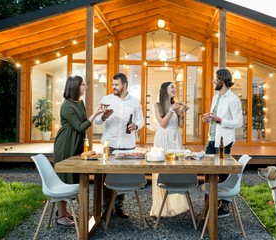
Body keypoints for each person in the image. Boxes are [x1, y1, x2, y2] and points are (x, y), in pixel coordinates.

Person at [54, 75, 105, 226]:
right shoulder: (66, 106)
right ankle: (61, 216)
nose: (85, 87)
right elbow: (80, 126)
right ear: (75, 87)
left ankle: (64, 211)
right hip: (66, 144)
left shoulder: (80, 102)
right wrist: (96, 113)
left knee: (74, 177)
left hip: (76, 143)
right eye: (83, 85)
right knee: (64, 178)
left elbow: (83, 122)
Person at [94, 72, 144, 219]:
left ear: (125, 85)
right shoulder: (106, 99)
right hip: (110, 144)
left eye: (116, 84)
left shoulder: (134, 101)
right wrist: (103, 116)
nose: (113, 87)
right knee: (107, 176)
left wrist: (136, 126)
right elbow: (97, 121)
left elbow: (141, 120)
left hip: (127, 145)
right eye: (113, 84)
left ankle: (119, 207)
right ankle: (105, 208)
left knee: (123, 174)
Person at [202, 68, 243, 218]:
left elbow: (238, 122)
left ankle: (225, 206)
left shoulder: (233, 99)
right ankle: (211, 201)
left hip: (223, 142)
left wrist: (218, 120)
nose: (213, 81)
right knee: (208, 170)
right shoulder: (215, 97)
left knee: (223, 172)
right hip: (211, 139)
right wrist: (209, 118)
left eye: (215, 79)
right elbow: (215, 118)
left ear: (222, 80)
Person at [149, 81, 189, 217]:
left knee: (176, 168)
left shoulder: (176, 104)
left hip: (174, 137)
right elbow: (163, 124)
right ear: (164, 89)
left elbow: (181, 125)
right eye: (172, 87)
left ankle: (176, 205)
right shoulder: (158, 105)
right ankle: (161, 206)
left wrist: (182, 114)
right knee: (161, 170)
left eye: (175, 87)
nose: (175, 89)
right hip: (163, 137)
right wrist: (172, 110)